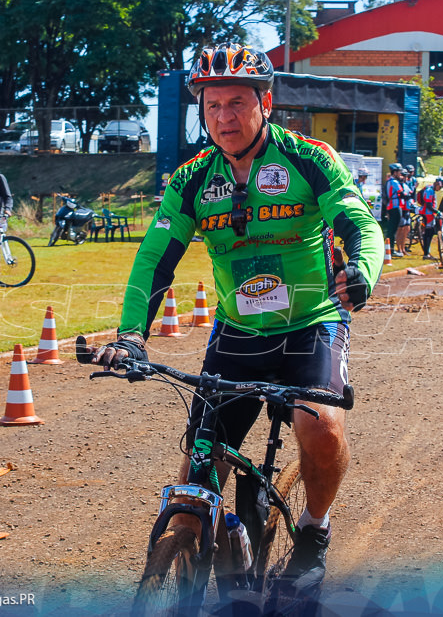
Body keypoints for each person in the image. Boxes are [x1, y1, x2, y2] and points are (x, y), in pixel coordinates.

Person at [87, 43, 384, 610]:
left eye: (237, 103)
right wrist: (131, 335)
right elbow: (154, 258)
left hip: (311, 324)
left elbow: (358, 223)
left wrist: (362, 271)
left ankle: (315, 530)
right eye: (212, 104)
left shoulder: (309, 158)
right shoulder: (192, 179)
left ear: (265, 102)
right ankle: (190, 554)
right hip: (238, 333)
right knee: (201, 460)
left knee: (319, 424)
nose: (224, 116)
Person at [417, 177, 443, 259]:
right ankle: (426, 253)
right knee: (428, 233)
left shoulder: (430, 189)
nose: (440, 189)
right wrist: (437, 212)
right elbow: (428, 205)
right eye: (440, 187)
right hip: (427, 214)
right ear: (437, 184)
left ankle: (427, 252)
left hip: (429, 213)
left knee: (429, 233)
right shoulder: (430, 191)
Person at [383, 163, 404, 256]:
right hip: (395, 206)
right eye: (399, 172)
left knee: (391, 228)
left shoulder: (388, 181)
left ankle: (390, 248)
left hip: (390, 207)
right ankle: (391, 249)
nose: (400, 174)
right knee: (393, 229)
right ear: (395, 172)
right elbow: (402, 193)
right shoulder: (394, 182)